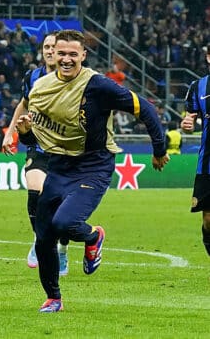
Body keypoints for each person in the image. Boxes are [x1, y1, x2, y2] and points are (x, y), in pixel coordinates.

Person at [16, 30, 169, 313]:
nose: (66, 59)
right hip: (58, 166)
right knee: (44, 236)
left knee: (65, 223)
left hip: (93, 167)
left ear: (83, 55)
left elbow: (145, 108)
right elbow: (35, 138)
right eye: (62, 53)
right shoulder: (41, 87)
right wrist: (24, 133)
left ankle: (94, 236)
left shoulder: (98, 85)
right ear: (53, 54)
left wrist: (159, 149)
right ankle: (54, 298)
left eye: (73, 54)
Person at [1, 33, 70, 275]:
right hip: (38, 145)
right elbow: (23, 104)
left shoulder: (73, 77)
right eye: (46, 47)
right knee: (34, 192)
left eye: (54, 47)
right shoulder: (32, 76)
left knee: (63, 207)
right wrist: (10, 133)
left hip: (64, 149)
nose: (50, 51)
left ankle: (62, 250)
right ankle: (40, 238)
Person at [180, 45, 210, 256]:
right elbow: (189, 119)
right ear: (208, 58)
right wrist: (187, 124)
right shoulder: (198, 86)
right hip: (208, 163)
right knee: (208, 219)